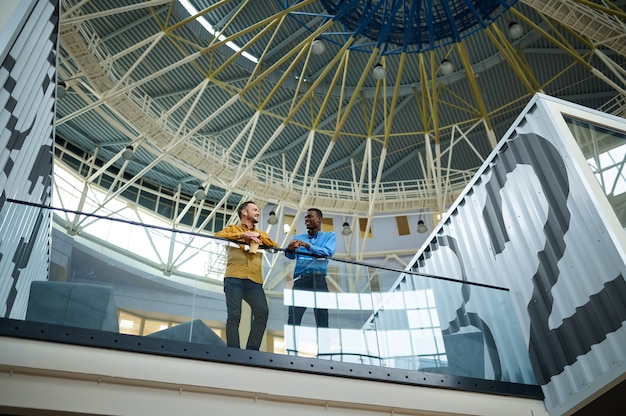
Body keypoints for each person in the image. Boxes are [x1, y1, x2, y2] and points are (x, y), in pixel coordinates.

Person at [215, 201, 278, 350]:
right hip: (234, 277)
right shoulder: (232, 229)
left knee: (262, 311)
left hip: (254, 281)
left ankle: (252, 350)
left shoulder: (261, 234)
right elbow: (218, 236)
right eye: (255, 210)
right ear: (244, 212)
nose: (257, 213)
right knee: (234, 314)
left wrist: (257, 237)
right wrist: (244, 235)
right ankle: (233, 350)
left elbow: (274, 247)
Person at [285, 208, 336, 327]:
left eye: (310, 216)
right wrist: (290, 249)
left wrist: (307, 246)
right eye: (305, 218)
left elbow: (327, 252)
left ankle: (324, 346)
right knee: (293, 318)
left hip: (319, 280)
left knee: (322, 319)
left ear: (319, 219)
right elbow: (290, 256)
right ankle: (292, 346)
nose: (307, 219)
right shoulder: (297, 237)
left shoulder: (329, 236)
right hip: (301, 280)